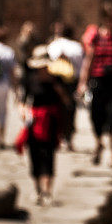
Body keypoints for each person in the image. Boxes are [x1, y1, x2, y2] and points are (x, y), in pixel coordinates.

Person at [78, 2, 112, 167]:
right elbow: (89, 60)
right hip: (99, 80)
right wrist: (82, 82)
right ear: (103, 18)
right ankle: (98, 143)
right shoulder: (96, 36)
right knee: (96, 115)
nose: (111, 20)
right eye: (108, 17)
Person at [15, 46, 70, 207]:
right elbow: (22, 100)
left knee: (48, 154)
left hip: (51, 122)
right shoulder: (30, 80)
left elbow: (66, 102)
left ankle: (47, 191)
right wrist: (23, 111)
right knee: (34, 155)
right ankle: (37, 189)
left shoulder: (57, 79)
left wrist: (60, 91)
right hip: (34, 121)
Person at [46, 23, 83, 151]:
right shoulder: (77, 47)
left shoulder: (52, 46)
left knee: (56, 109)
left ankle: (58, 138)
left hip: (55, 82)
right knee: (70, 111)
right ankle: (69, 139)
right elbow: (81, 67)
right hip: (71, 82)